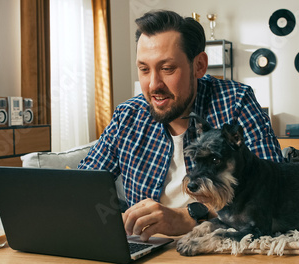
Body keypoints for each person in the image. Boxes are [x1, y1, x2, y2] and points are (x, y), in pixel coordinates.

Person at [78, 10, 283, 241]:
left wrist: (188, 216)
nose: (153, 85)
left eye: (167, 69)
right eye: (144, 69)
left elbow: (273, 191)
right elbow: (83, 186)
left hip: (221, 245)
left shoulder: (236, 103)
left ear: (199, 65)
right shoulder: (128, 116)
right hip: (146, 248)